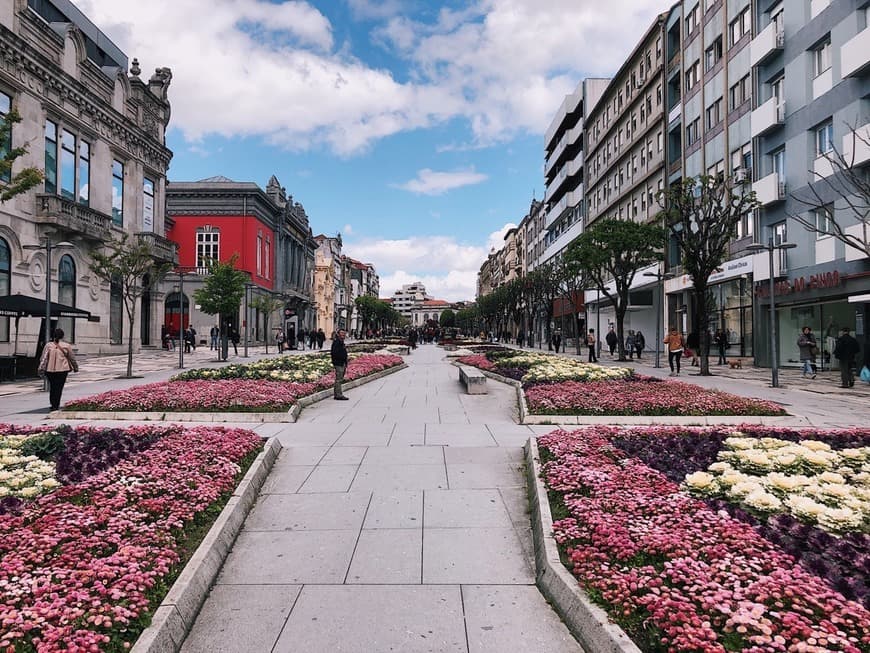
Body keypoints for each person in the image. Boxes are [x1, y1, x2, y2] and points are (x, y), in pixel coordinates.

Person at [38, 328, 78, 411]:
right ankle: (56, 404)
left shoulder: (48, 345)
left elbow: (43, 358)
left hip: (50, 370)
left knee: (52, 387)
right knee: (59, 388)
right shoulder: (66, 346)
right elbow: (72, 358)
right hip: (62, 370)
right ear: (62, 336)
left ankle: (53, 404)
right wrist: (75, 367)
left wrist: (42, 367)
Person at [330, 328, 349, 400]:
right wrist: (340, 359)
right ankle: (338, 394)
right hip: (339, 363)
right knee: (339, 379)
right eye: (341, 333)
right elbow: (334, 353)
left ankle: (337, 393)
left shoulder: (341, 342)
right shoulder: (337, 342)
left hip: (342, 363)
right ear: (338, 334)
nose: (343, 334)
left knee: (340, 378)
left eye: (344, 333)